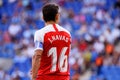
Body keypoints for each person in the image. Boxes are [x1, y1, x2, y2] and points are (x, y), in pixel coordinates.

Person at [31, 3, 71, 80]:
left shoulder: (40, 33)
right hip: (64, 77)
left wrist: (33, 77)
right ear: (57, 16)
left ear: (43, 17)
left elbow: (37, 56)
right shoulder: (67, 34)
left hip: (45, 77)